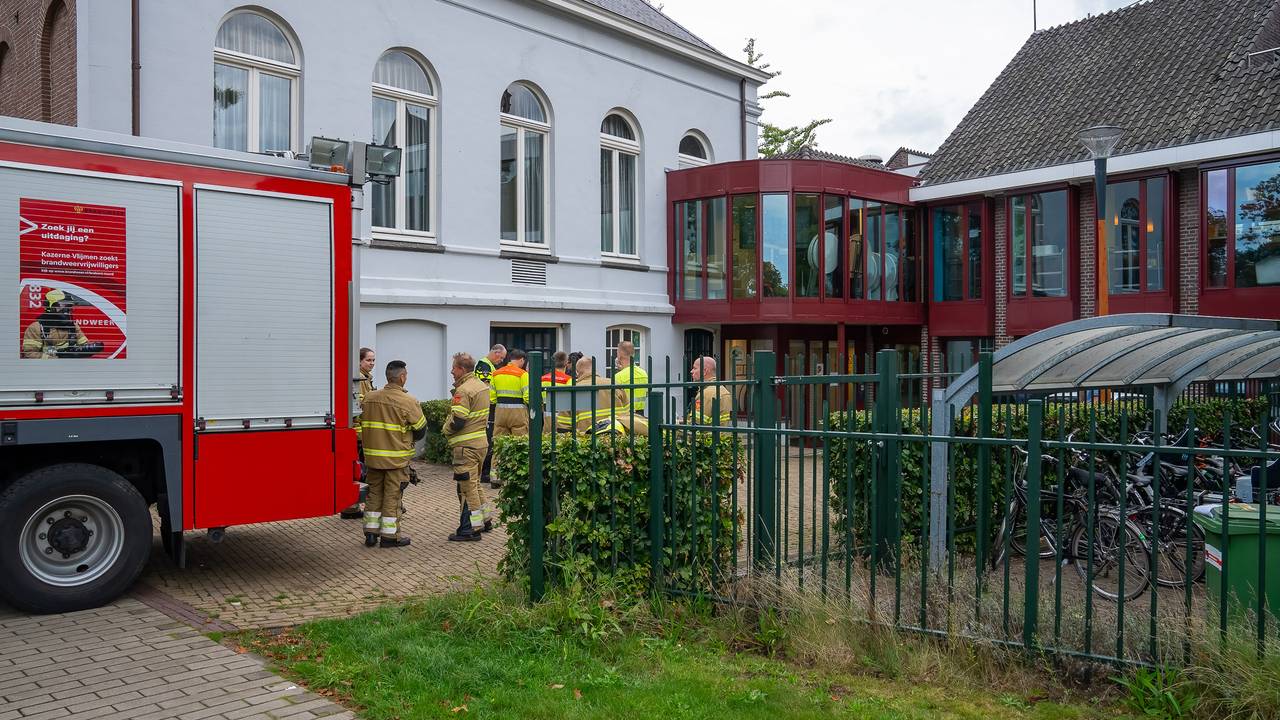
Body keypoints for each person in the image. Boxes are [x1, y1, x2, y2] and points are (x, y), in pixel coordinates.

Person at [359, 360, 427, 548]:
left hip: (372, 458)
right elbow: (421, 428)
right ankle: (390, 537)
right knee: (392, 496)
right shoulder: (408, 401)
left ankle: (370, 534)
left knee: (374, 494)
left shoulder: (369, 398)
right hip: (396, 459)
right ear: (402, 377)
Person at [444, 352, 493, 541]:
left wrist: (446, 429)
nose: (451, 371)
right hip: (480, 444)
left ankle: (470, 529)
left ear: (461, 369)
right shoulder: (481, 386)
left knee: (466, 488)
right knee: (475, 483)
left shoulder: (463, 390)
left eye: (453, 368)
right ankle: (485, 520)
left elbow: (458, 420)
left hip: (466, 447)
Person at [341, 347, 377, 519]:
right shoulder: (360, 379)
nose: (372, 363)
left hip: (358, 432)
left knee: (355, 470)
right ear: (359, 361)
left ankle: (351, 506)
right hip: (359, 433)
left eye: (373, 360)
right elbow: (362, 406)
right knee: (361, 471)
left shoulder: (365, 378)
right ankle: (354, 506)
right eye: (368, 360)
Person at [573, 356, 648, 437]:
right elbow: (628, 413)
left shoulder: (573, 390)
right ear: (595, 369)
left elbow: (565, 426)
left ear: (577, 372)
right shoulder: (614, 384)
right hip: (616, 437)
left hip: (586, 439)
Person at [21, 289, 103, 359]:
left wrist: (88, 349)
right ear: (51, 307)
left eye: (69, 306)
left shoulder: (73, 326)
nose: (67, 309)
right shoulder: (36, 328)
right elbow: (29, 353)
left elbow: (83, 345)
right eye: (64, 305)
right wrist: (56, 359)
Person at [489, 348, 530, 485]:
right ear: (522, 360)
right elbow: (527, 397)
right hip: (518, 413)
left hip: (500, 412)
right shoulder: (523, 374)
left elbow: (492, 398)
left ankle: (495, 478)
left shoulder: (496, 373)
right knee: (520, 445)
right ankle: (519, 477)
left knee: (499, 445)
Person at [475, 344, 506, 485]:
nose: (501, 361)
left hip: (490, 407)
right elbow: (486, 387)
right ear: (496, 353)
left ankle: (486, 472)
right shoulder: (484, 365)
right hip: (488, 408)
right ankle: (484, 473)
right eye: (501, 357)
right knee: (489, 441)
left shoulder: (489, 365)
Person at [688, 356, 734, 427]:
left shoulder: (706, 394)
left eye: (695, 368)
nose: (691, 371)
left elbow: (696, 424)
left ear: (704, 371)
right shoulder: (723, 390)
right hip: (722, 433)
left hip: (708, 434)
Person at [613, 340, 649, 417]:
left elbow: (615, 400)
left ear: (619, 355)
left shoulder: (618, 376)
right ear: (633, 354)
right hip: (641, 414)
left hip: (625, 415)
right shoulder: (643, 373)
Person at [541, 351, 574, 433]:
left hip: (546, 417)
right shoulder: (568, 380)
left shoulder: (543, 378)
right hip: (562, 419)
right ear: (566, 363)